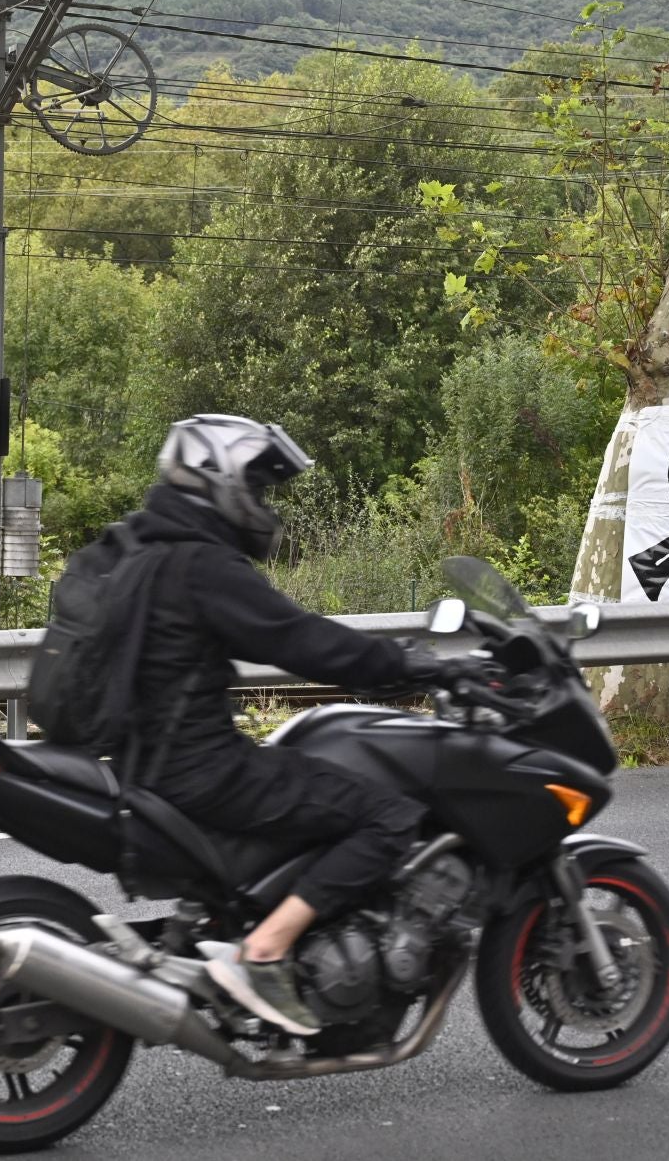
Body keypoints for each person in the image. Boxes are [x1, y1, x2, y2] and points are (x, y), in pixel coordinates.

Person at [124, 414, 447, 1036]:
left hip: (146, 761)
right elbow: (296, 639)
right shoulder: (202, 564)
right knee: (390, 816)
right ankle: (266, 950)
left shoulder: (147, 549)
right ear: (217, 477)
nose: (261, 502)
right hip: (201, 768)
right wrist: (403, 664)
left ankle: (257, 927)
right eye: (257, 485)